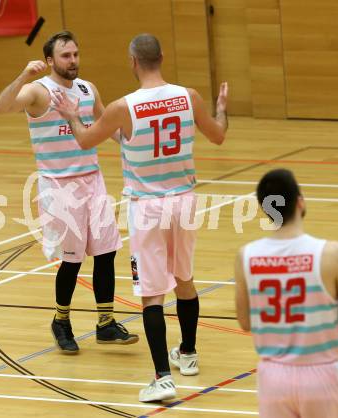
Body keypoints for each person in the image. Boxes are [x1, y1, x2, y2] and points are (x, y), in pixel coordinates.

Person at [52, 33, 228, 401]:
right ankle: (189, 354)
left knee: (151, 295)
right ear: (161, 57)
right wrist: (222, 107)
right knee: (185, 279)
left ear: (132, 61)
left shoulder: (123, 107)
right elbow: (219, 135)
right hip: (184, 201)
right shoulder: (189, 97)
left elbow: (85, 140)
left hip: (147, 206)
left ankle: (163, 377)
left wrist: (71, 115)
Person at [0, 31, 139, 355]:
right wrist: (22, 76)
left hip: (93, 180)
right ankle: (61, 322)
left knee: (105, 253)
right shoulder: (37, 91)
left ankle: (106, 323)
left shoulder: (87, 89)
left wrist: (133, 146)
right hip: (59, 187)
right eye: (65, 56)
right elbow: (0, 108)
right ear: (49, 61)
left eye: (75, 54)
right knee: (71, 261)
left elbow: (105, 123)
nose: (72, 60)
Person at [235, 168, 338, 418]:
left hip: (273, 377)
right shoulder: (330, 254)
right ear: (300, 202)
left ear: (265, 209)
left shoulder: (246, 256)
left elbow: (246, 321)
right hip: (322, 373)